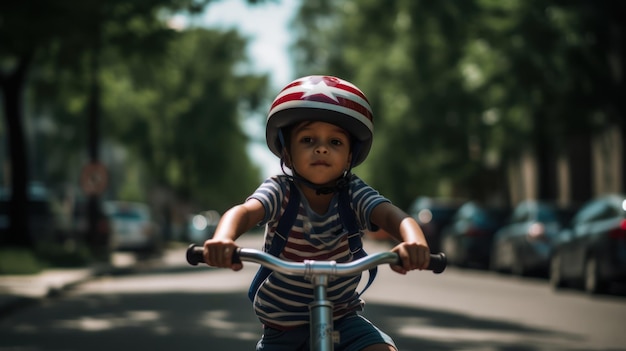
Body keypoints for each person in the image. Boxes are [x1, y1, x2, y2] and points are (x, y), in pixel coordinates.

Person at [203, 75, 430, 351]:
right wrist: (223, 239)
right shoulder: (280, 191)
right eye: (308, 139)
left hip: (342, 318)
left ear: (349, 156)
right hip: (282, 326)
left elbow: (393, 216)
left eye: (335, 142)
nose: (321, 148)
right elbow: (245, 212)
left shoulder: (353, 193)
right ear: (286, 154)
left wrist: (413, 242)